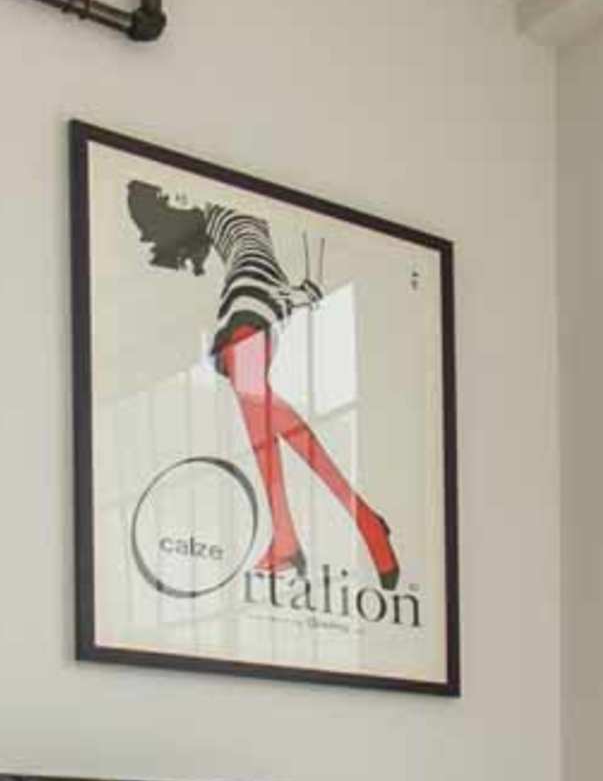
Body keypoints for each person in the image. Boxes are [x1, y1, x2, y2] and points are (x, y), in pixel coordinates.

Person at [124, 179, 401, 587]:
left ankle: (328, 525)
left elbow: (245, 238)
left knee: (249, 383)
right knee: (250, 391)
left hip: (252, 274)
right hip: (249, 276)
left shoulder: (223, 200)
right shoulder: (205, 213)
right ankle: (321, 527)